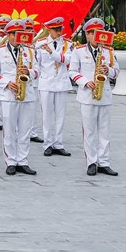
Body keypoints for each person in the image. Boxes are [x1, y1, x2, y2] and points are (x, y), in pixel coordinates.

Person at [69, 18, 119, 176]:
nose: (95, 36)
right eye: (92, 33)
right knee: (89, 131)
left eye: (98, 32)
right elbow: (72, 71)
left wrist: (108, 71)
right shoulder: (79, 51)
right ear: (87, 34)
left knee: (104, 131)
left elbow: (116, 71)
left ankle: (104, 162)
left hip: (104, 95)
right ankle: (91, 161)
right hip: (87, 96)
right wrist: (85, 82)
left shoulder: (109, 51)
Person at [0, 19, 39, 176]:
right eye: (13, 34)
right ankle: (11, 161)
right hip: (9, 95)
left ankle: (23, 161)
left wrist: (29, 73)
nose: (17, 37)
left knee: (25, 129)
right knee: (9, 130)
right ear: (8, 35)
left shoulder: (30, 50)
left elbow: (38, 70)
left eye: (19, 34)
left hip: (27, 94)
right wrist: (6, 83)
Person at [36, 16, 73, 157]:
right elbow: (36, 62)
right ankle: (48, 144)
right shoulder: (40, 43)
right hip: (46, 82)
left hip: (62, 83)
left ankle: (58, 143)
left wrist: (52, 52)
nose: (58, 32)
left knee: (60, 115)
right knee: (47, 115)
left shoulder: (68, 44)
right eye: (55, 30)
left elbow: (68, 60)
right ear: (49, 30)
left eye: (60, 29)